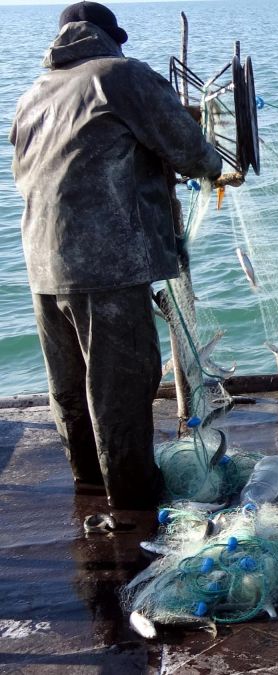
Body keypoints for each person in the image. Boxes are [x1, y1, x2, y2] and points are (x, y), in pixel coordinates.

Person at [9, 2, 225, 511]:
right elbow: (189, 150)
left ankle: (88, 488)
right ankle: (133, 506)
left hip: (42, 264)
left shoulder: (33, 94)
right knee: (121, 389)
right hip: (106, 265)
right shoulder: (119, 75)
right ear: (109, 39)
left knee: (69, 390)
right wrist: (214, 165)